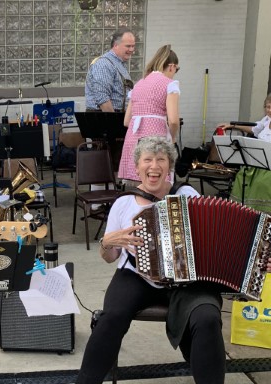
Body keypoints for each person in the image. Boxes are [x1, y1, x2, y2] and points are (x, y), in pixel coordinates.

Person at [75, 136, 271, 384]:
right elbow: (109, 257)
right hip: (137, 276)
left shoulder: (187, 195)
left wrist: (257, 259)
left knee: (208, 317)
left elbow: (220, 235)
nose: (154, 166)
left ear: (169, 167)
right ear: (137, 167)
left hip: (188, 281)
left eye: (161, 160)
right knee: (111, 318)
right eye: (147, 159)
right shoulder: (123, 203)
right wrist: (107, 243)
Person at [118, 45, 180, 185]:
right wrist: (173, 136)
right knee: (159, 182)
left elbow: (127, 121)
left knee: (137, 186)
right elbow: (174, 121)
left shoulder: (139, 84)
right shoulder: (170, 84)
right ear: (171, 66)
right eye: (177, 69)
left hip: (133, 139)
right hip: (155, 139)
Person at [219, 93, 271, 213]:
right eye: (267, 107)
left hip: (269, 167)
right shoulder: (266, 120)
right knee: (241, 176)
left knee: (261, 183)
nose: (269, 110)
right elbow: (253, 128)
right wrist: (233, 126)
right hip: (258, 162)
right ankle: (243, 214)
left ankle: (262, 213)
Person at [85, 27, 136, 112]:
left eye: (133, 46)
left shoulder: (119, 64)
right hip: (103, 118)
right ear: (116, 45)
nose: (131, 49)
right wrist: (113, 123)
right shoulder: (104, 64)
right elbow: (102, 98)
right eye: (128, 46)